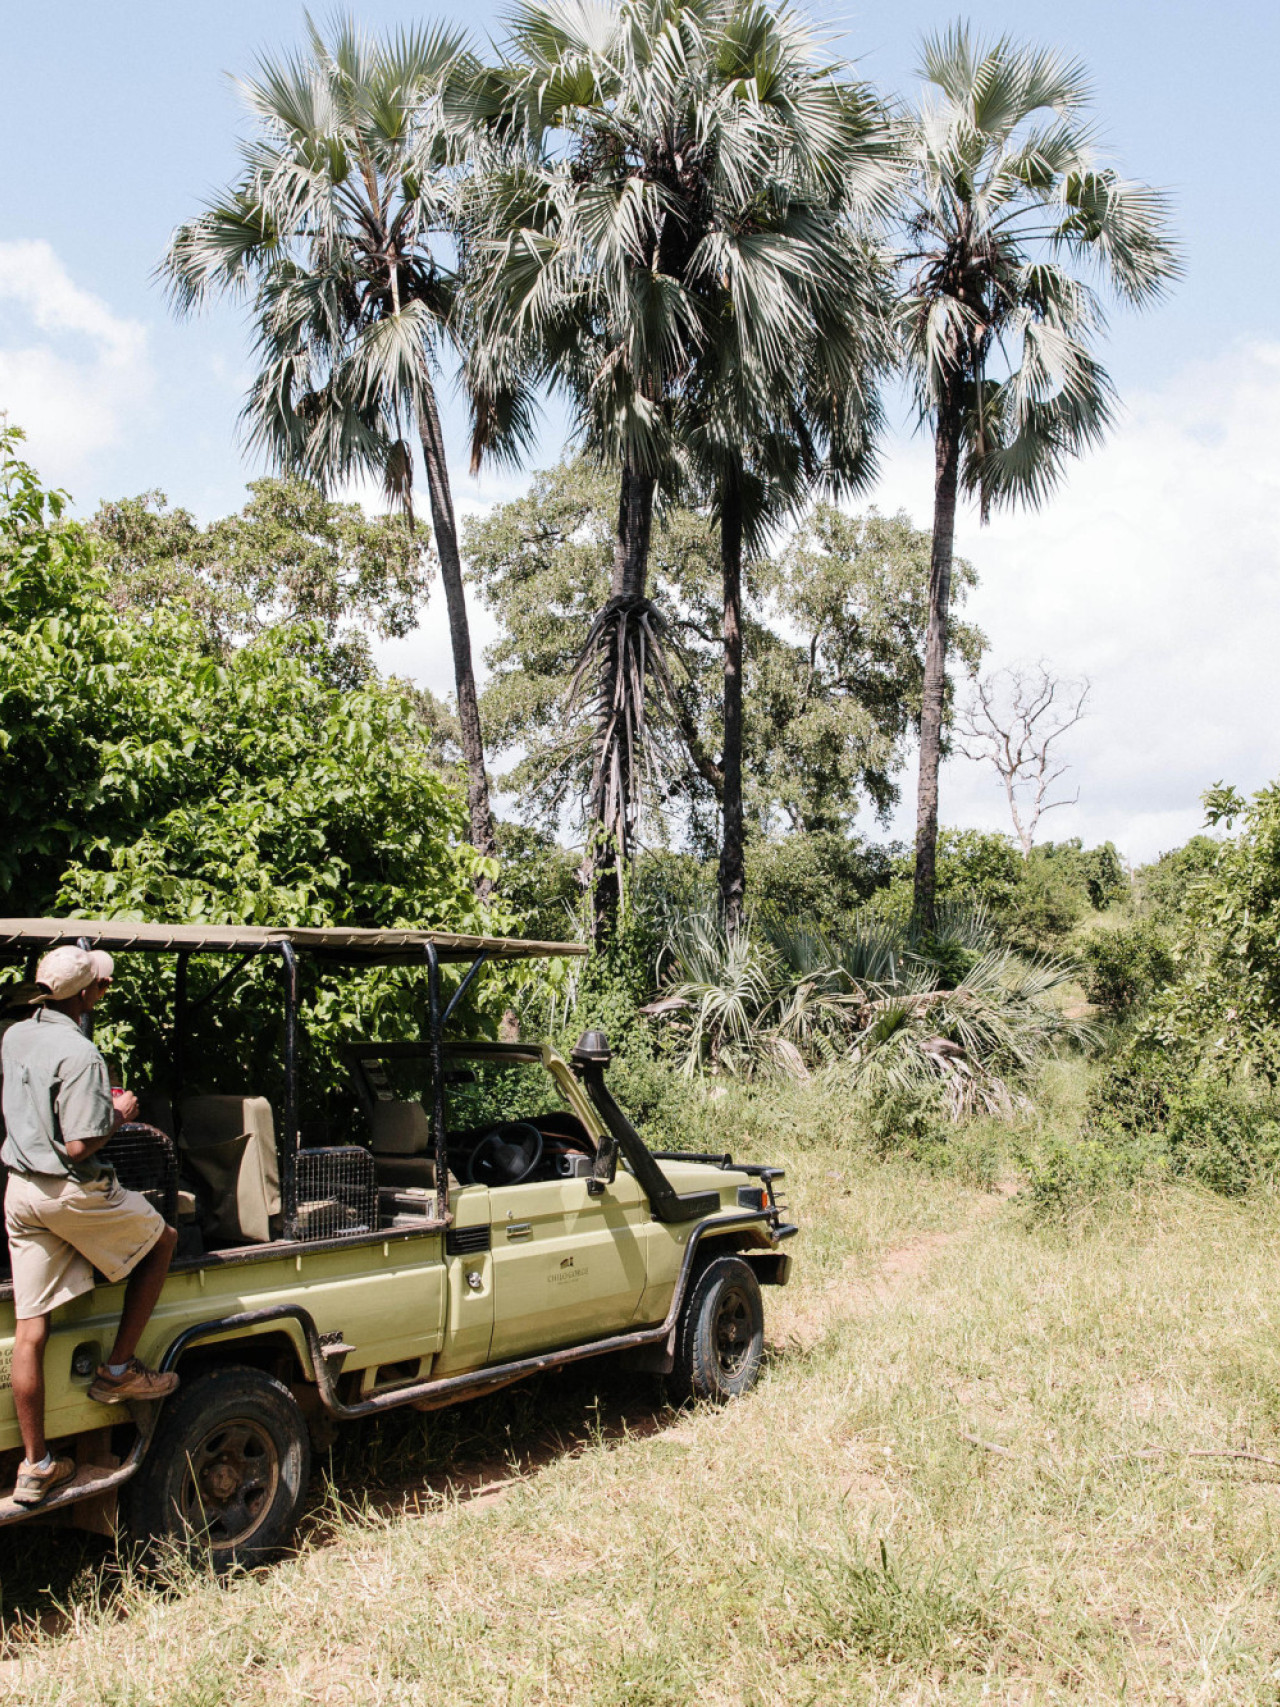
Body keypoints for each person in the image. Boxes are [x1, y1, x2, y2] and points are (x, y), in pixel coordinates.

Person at [1, 945, 179, 1507]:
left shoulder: (13, 1035)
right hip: (69, 1192)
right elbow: (80, 1145)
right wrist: (117, 1116)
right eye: (101, 986)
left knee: (30, 1331)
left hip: (20, 1191)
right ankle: (118, 1371)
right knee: (163, 1240)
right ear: (84, 994)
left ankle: (36, 1465)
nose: (102, 993)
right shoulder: (81, 1052)